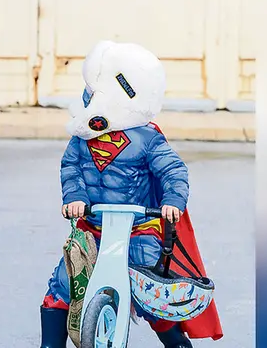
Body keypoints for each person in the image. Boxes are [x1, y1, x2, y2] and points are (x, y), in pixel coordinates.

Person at [38, 41, 223, 348]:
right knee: (62, 286)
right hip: (93, 229)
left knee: (151, 295)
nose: (89, 97)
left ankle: (177, 343)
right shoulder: (83, 136)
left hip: (138, 230)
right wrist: (74, 197)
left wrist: (172, 202)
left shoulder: (147, 137)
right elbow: (70, 166)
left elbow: (173, 171)